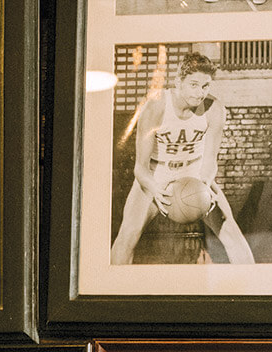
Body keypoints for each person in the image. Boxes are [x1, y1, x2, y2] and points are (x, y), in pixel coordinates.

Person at [109, 52, 255, 265]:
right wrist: (155, 190)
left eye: (206, 86)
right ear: (178, 82)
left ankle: (252, 289)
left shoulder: (214, 109)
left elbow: (210, 161)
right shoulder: (156, 107)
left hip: (194, 172)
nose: (200, 92)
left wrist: (204, 186)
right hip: (156, 174)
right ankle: (112, 291)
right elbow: (140, 168)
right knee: (128, 235)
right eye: (194, 85)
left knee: (230, 230)